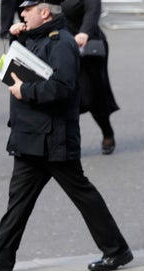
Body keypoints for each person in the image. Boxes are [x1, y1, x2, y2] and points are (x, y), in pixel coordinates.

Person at [0, 0, 132, 271]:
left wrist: (25, 92)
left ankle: (116, 250)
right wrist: (17, 37)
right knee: (17, 204)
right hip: (30, 137)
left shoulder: (62, 42)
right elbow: (18, 65)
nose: (22, 14)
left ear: (44, 13)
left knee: (83, 196)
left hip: (53, 139)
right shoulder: (36, 37)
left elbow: (62, 87)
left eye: (27, 10)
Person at [61, 0, 120, 155]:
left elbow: (92, 11)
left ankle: (107, 131)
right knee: (62, 94)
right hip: (61, 47)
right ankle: (66, 141)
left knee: (92, 96)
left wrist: (84, 32)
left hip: (87, 48)